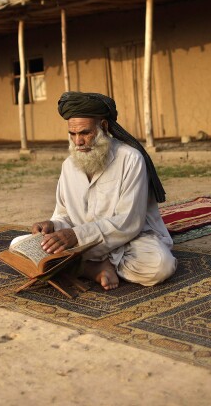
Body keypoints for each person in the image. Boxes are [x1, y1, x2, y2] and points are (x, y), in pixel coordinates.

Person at [32, 92, 177, 291]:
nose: (78, 142)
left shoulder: (130, 159)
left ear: (104, 127)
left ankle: (84, 267)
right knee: (18, 245)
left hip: (127, 241)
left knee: (161, 265)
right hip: (82, 243)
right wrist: (52, 224)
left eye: (84, 133)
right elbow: (64, 215)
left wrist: (77, 236)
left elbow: (129, 221)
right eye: (72, 134)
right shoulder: (68, 166)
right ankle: (95, 267)